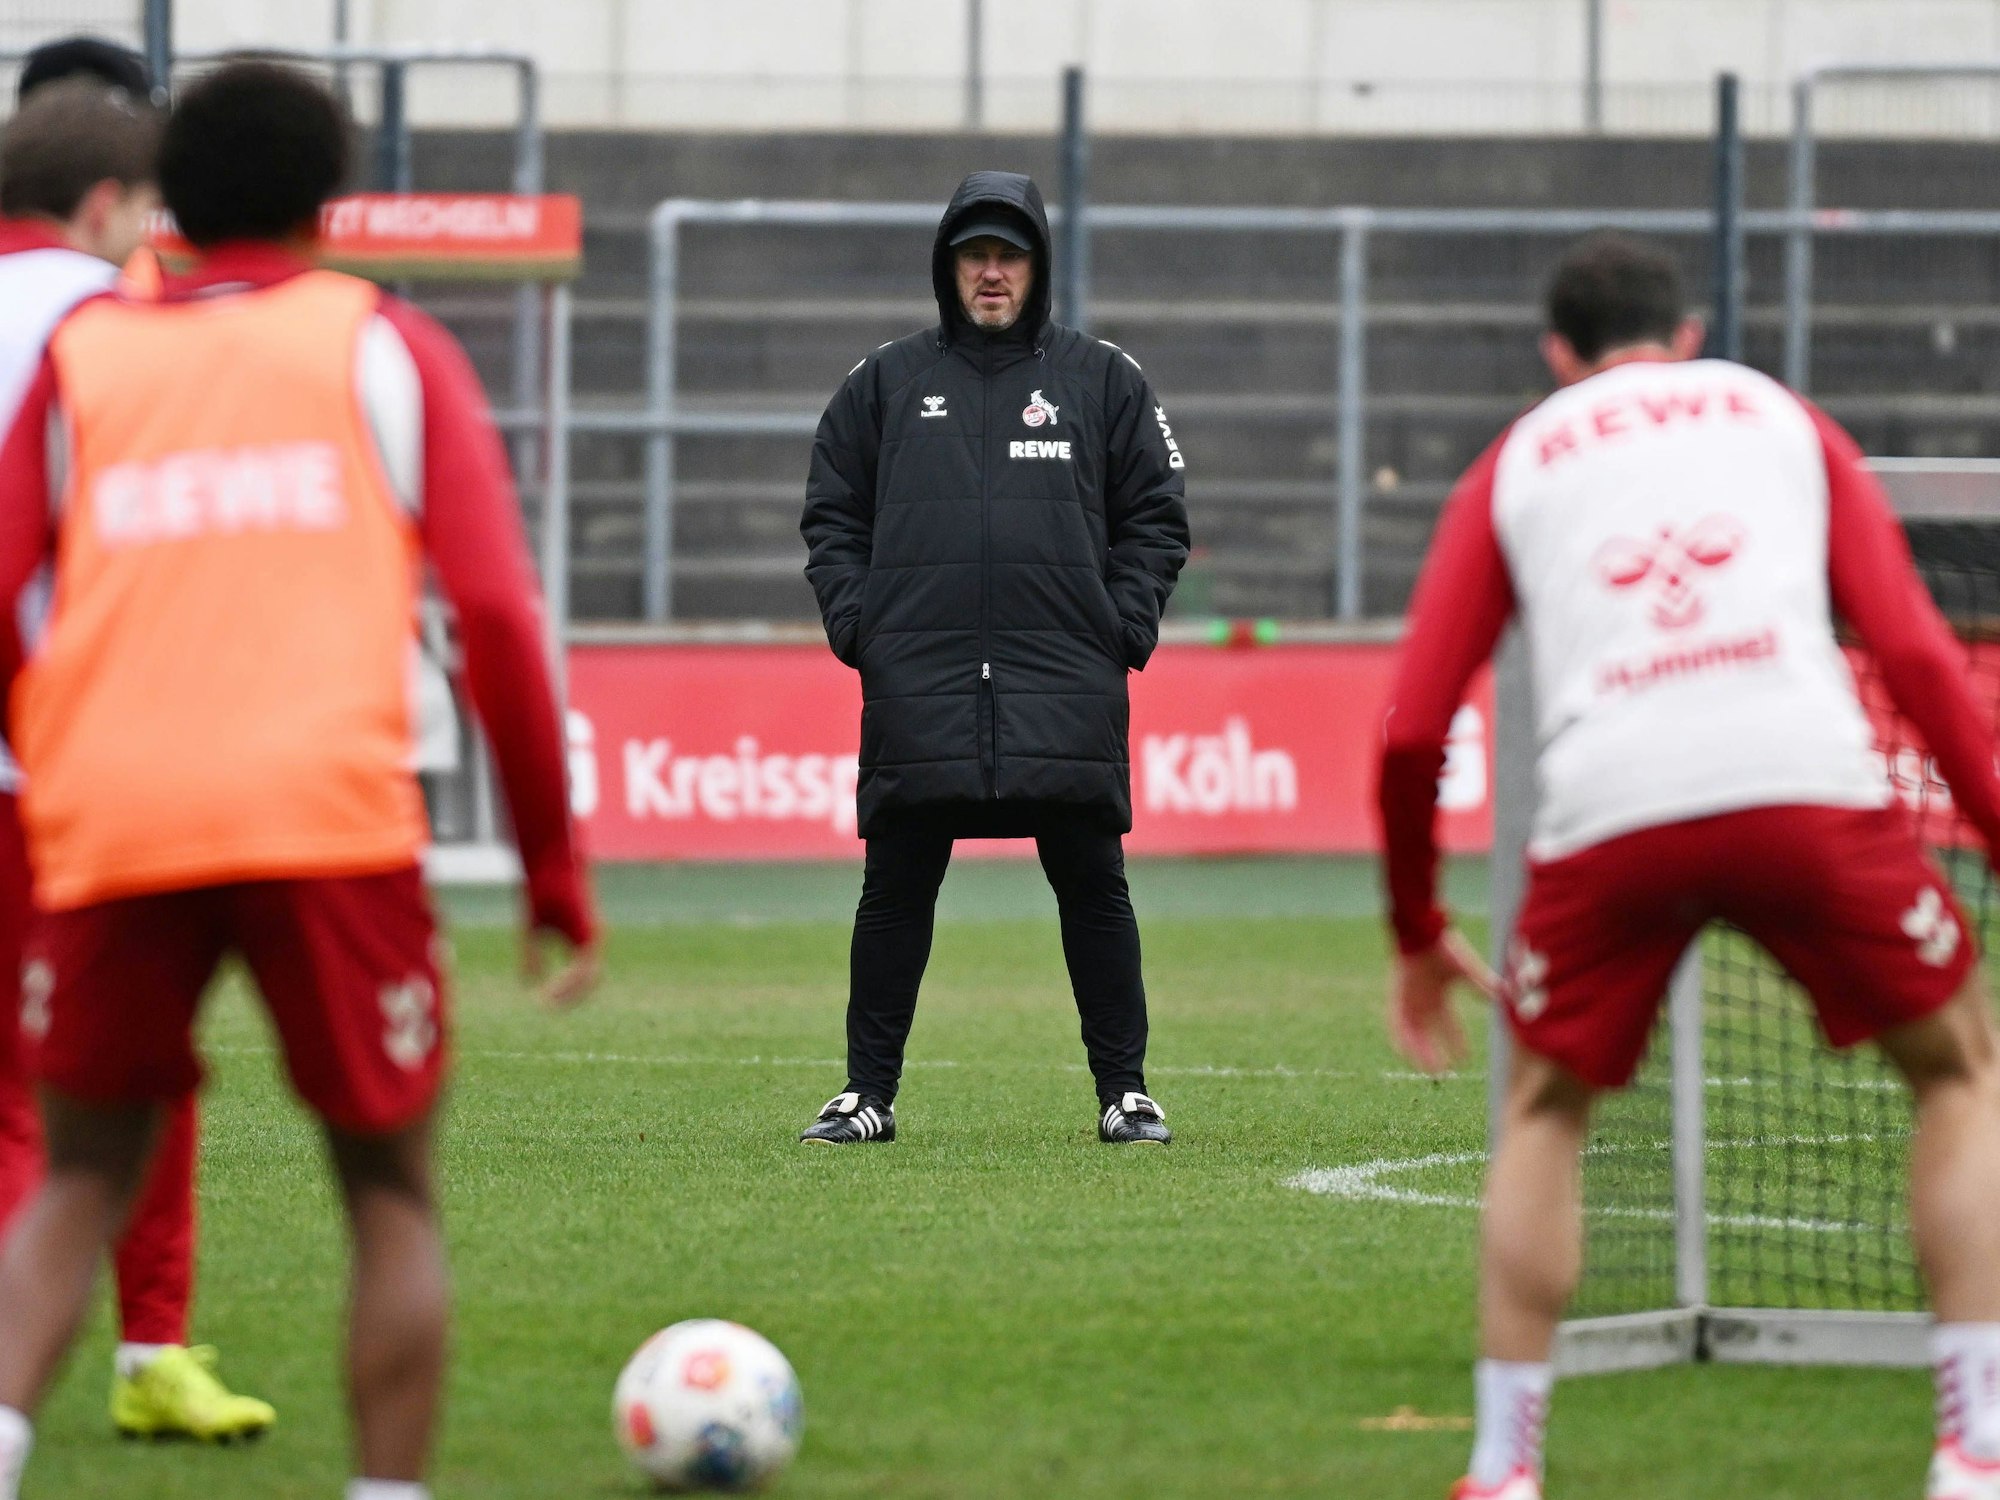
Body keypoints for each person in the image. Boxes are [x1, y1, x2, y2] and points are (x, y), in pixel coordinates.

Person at [0, 61, 598, 1500]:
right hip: (325, 814)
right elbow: (501, 618)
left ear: (175, 203)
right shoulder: (383, 344)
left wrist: (65, 756)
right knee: (387, 1190)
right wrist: (552, 868)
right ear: (329, 197)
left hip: (124, 814)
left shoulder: (94, 355)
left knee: (76, 1174)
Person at [1376, 231, 2000, 1500]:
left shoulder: (1515, 462)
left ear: (1555, 354)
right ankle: (1971, 1448)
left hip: (1610, 804)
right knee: (1955, 1071)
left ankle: (1500, 1471)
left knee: (1542, 1114)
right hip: (1802, 780)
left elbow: (1407, 730)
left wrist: (1410, 926)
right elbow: (1919, 658)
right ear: (1688, 332)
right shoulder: (1778, 418)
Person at [798, 170, 1190, 1146]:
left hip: (1064, 683)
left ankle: (1125, 1092)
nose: (989, 272)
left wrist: (1118, 627)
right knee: (893, 890)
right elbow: (829, 516)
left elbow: (1156, 517)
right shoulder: (882, 383)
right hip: (918, 685)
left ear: (1036, 267)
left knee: (1092, 884)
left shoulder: (1102, 380)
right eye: (973, 254)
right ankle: (864, 1097)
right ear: (946, 266)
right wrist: (865, 629)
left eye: (1006, 255)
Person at [0, 57, 275, 1443]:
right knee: (137, 1067)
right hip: (80, 758)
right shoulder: (118, 325)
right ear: (107, 202)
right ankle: (145, 1350)